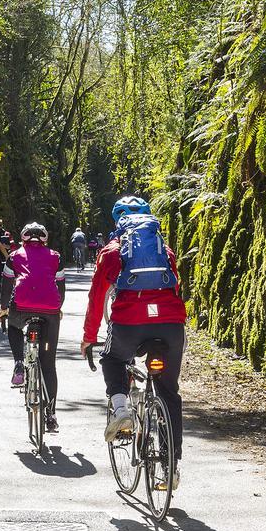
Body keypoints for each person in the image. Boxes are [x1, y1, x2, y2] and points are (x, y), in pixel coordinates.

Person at [80, 195, 186, 490]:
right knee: (168, 392)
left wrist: (89, 337)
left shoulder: (112, 251)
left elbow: (96, 297)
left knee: (112, 358)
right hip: (170, 324)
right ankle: (171, 467)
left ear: (118, 221)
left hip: (130, 323)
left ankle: (121, 407)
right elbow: (176, 286)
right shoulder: (163, 249)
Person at [0, 223, 66, 432]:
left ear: (24, 239)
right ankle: (51, 415)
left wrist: (3, 309)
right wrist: (58, 307)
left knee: (14, 327)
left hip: (22, 307)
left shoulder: (15, 255)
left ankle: (19, 362)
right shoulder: (56, 256)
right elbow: (60, 285)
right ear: (44, 239)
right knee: (49, 364)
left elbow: (7, 284)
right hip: (50, 312)